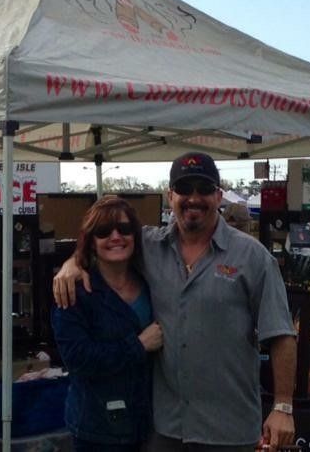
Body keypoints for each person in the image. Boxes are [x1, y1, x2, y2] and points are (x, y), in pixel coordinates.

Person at [54, 152, 297, 450]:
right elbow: (106, 242)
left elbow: (281, 334)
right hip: (166, 430)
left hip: (229, 430)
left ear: (219, 196)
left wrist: (283, 406)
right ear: (170, 196)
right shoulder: (149, 246)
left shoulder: (253, 257)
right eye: (184, 188)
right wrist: (73, 264)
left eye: (204, 189)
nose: (193, 198)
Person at [52, 197, 163, 452]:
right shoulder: (74, 293)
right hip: (98, 430)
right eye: (103, 231)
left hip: (149, 424)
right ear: (91, 241)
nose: (115, 237)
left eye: (124, 229)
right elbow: (78, 359)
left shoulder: (151, 281)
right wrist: (138, 345)